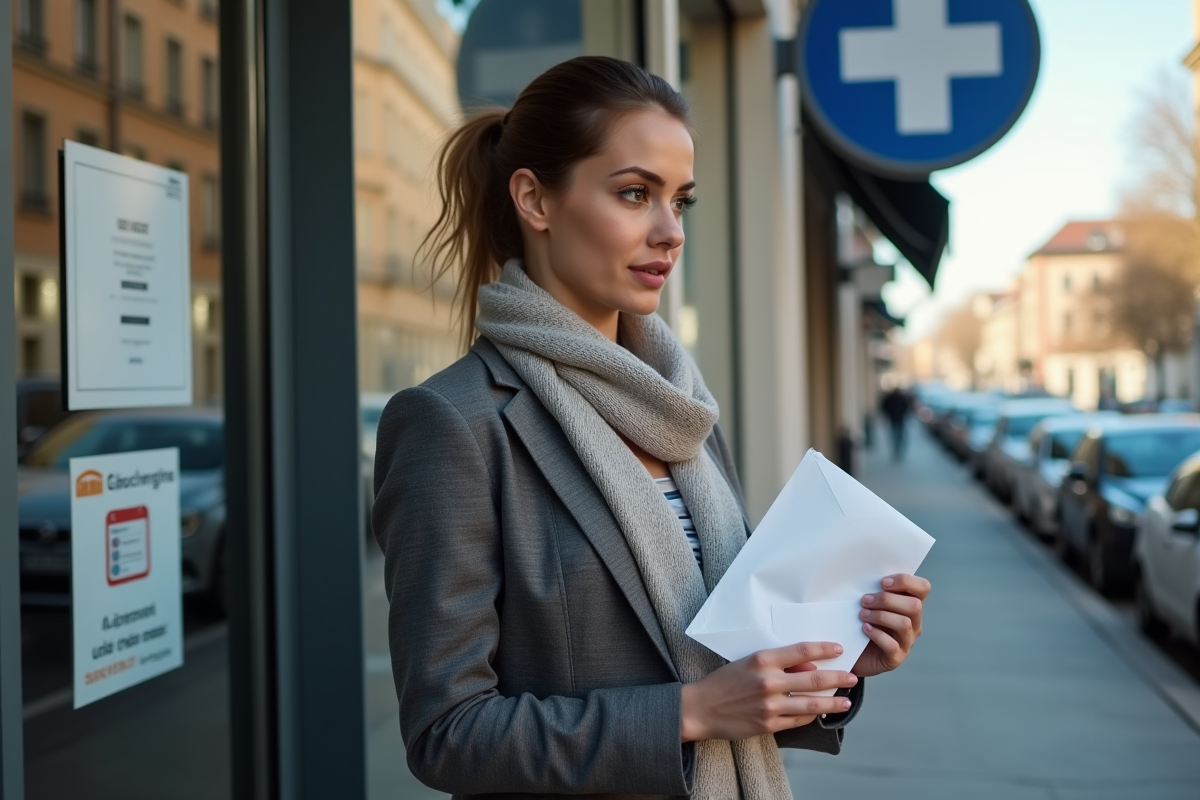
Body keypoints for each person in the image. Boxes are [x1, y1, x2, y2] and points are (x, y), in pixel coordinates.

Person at [372, 56, 931, 800]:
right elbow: (448, 734)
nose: (670, 232)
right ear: (535, 199)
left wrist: (837, 661)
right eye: (635, 193)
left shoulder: (682, 408)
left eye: (681, 202)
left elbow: (735, 678)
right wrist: (691, 712)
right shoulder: (454, 423)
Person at [881, 386, 912, 462]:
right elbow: (907, 408)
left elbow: (884, 407)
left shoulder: (890, 397)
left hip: (893, 419)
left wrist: (887, 415)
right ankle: (899, 450)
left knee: (894, 435)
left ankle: (896, 450)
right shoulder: (902, 398)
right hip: (900, 419)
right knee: (900, 435)